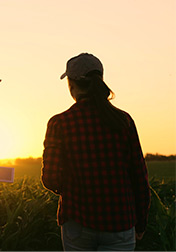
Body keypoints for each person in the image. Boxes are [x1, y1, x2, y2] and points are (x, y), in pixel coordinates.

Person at [41, 53, 150, 251]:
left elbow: (51, 179)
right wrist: (140, 223)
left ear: (71, 84)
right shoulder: (124, 121)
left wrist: (75, 187)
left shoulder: (60, 123)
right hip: (121, 223)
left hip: (77, 222)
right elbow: (140, 178)